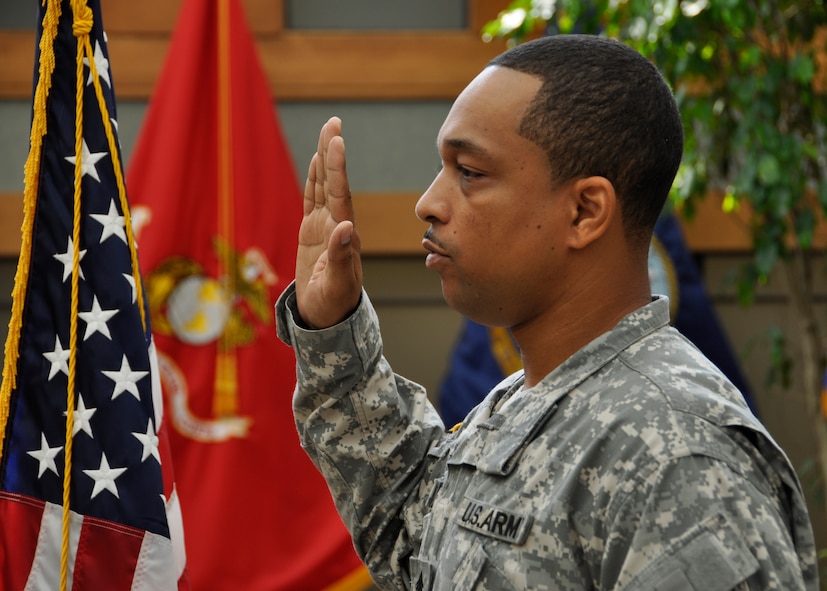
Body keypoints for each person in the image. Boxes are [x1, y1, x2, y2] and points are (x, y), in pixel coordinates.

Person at [276, 35, 817, 590]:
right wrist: (332, 328)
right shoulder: (524, 401)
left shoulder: (680, 456)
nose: (429, 203)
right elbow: (411, 536)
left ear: (584, 212)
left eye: (471, 172)